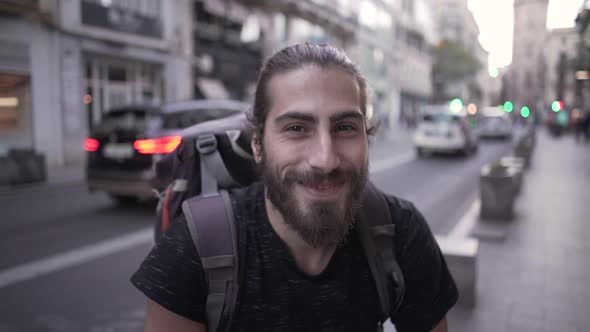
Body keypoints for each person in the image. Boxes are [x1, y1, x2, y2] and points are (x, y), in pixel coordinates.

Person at [131, 43, 458, 332]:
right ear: (258, 145)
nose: (325, 159)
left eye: (345, 127)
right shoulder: (196, 245)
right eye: (297, 128)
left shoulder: (400, 232)